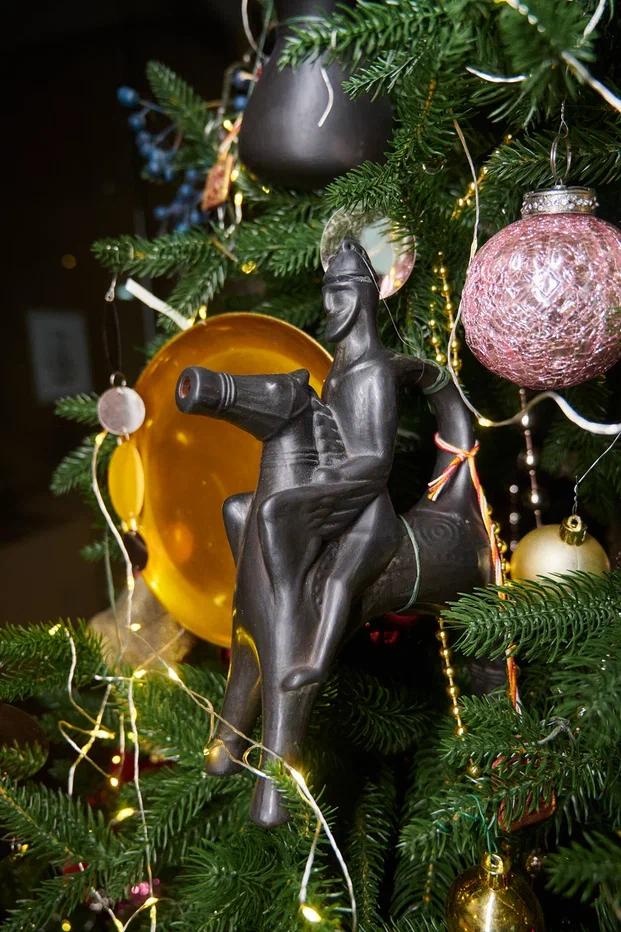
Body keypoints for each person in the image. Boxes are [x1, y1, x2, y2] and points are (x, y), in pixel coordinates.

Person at [258, 239, 403, 691]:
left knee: (339, 581)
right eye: (326, 291)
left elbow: (377, 458)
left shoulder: (374, 372)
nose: (328, 303)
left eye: (338, 291)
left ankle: (316, 660)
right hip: (336, 492)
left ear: (362, 297)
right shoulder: (338, 372)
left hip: (368, 511)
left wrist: (335, 476)